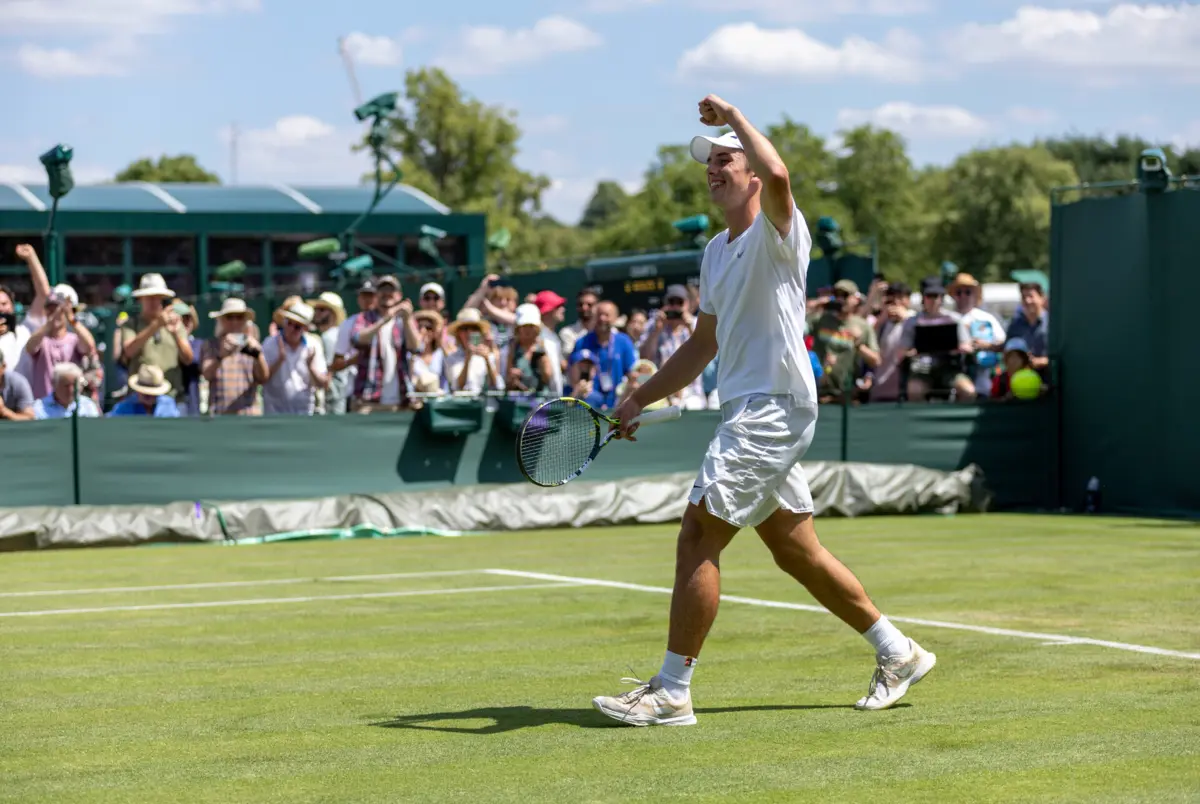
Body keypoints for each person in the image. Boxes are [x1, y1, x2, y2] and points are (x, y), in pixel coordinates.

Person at [591, 95, 936, 727]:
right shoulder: (716, 252)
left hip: (773, 407)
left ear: (751, 172)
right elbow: (703, 344)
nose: (714, 169)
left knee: (697, 533)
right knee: (793, 547)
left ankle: (671, 691)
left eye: (727, 160)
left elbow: (780, 176)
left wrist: (735, 117)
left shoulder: (782, 231)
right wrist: (639, 397)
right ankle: (899, 651)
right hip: (747, 408)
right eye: (710, 163)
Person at [107, 365, 181, 417]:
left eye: (153, 394)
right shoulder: (125, 407)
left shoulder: (168, 404)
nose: (149, 396)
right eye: (145, 393)